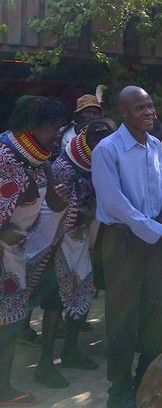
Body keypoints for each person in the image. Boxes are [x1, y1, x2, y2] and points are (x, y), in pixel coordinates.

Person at [92, 86, 162, 408]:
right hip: (122, 240)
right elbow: (116, 204)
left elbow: (160, 192)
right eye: (139, 108)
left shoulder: (154, 146)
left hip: (154, 240)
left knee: (156, 316)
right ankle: (118, 391)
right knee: (122, 318)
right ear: (123, 112)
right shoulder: (107, 150)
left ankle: (146, 382)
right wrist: (160, 231)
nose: (148, 113)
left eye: (150, 107)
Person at [25, 119, 116, 389]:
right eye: (99, 140)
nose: (104, 145)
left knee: (83, 293)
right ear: (88, 139)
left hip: (84, 242)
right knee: (55, 301)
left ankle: (71, 350)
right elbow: (58, 207)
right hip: (58, 241)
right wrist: (86, 213)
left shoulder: (101, 163)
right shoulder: (64, 167)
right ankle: (44, 364)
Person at [0, 95, 69, 407]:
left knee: (11, 322)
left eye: (59, 129)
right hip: (6, 252)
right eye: (51, 129)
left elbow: (53, 202)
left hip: (14, 255)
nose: (57, 135)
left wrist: (59, 198)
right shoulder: (5, 157)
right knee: (9, 323)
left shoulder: (39, 158)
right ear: (30, 128)